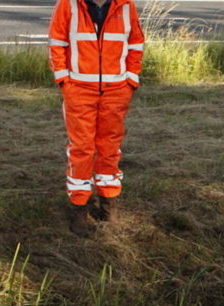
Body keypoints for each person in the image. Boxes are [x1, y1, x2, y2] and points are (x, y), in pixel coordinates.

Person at [48, 0, 144, 236]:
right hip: (79, 90)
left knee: (110, 148)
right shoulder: (69, 4)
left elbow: (135, 43)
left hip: (116, 91)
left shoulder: (125, 5)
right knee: (81, 148)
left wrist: (130, 79)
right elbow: (56, 43)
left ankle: (108, 205)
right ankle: (79, 209)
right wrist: (64, 81)